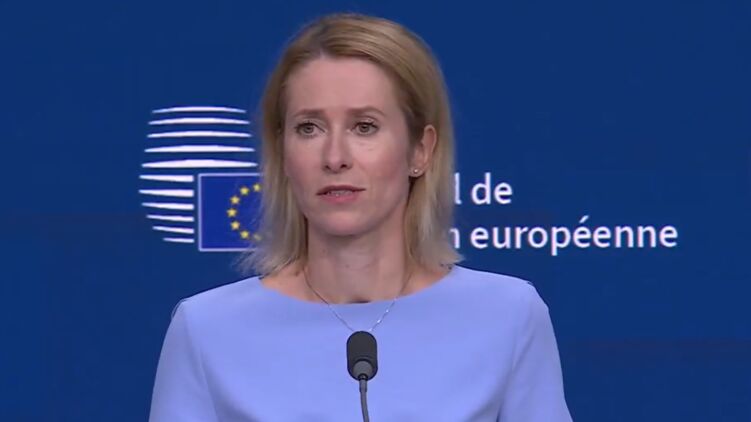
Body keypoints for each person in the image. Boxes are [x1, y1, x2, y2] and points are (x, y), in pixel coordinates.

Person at [149, 12, 572, 422]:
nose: (335, 157)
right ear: (282, 153)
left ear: (420, 150)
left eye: (364, 126)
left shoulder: (508, 317)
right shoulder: (206, 330)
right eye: (309, 128)